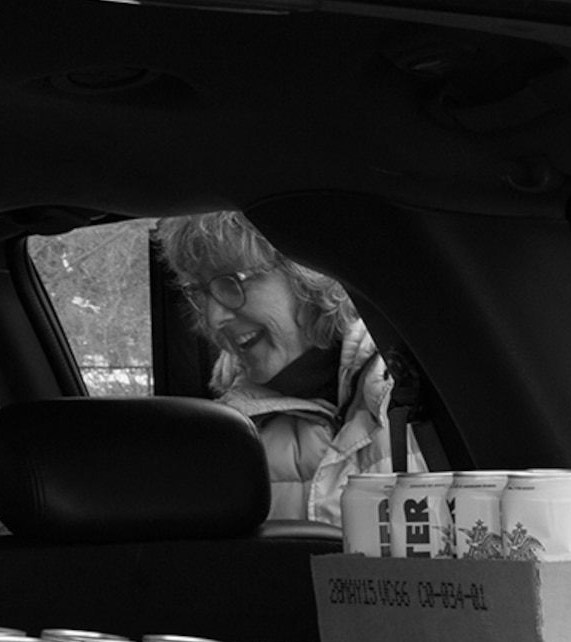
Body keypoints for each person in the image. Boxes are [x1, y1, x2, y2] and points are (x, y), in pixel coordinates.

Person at [156, 212, 404, 526]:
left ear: (307, 273)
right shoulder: (224, 440)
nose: (214, 317)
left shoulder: (420, 398)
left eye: (230, 283)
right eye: (200, 293)